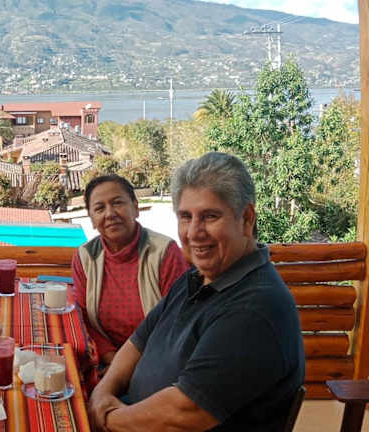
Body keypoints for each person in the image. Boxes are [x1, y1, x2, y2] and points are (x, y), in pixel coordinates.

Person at [88, 152, 305, 431]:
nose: (193, 232)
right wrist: (102, 393)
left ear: (246, 219)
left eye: (210, 216)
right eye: (185, 217)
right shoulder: (197, 278)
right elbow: (138, 342)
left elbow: (186, 412)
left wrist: (106, 419)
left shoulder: (256, 308)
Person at [73, 174, 188, 366]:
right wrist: (112, 359)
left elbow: (176, 322)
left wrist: (126, 369)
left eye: (117, 203)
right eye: (99, 208)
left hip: (156, 361)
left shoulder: (164, 252)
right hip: (106, 360)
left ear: (135, 207)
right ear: (92, 219)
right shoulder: (85, 257)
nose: (110, 214)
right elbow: (83, 317)